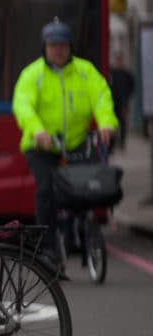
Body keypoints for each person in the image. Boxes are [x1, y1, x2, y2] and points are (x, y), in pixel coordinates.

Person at [11, 17, 118, 269]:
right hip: (42, 146)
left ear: (70, 47)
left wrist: (106, 123)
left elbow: (101, 96)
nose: (58, 50)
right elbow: (22, 105)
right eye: (53, 45)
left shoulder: (85, 71)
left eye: (63, 45)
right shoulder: (32, 74)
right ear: (45, 47)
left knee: (92, 184)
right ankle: (48, 247)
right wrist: (37, 130)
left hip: (77, 141)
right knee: (46, 190)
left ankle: (84, 225)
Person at [108, 52, 135, 151]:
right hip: (112, 103)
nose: (118, 62)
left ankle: (122, 143)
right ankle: (112, 144)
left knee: (122, 123)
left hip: (123, 103)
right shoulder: (111, 72)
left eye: (119, 60)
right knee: (112, 124)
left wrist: (127, 98)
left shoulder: (126, 74)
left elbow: (132, 86)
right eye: (117, 59)